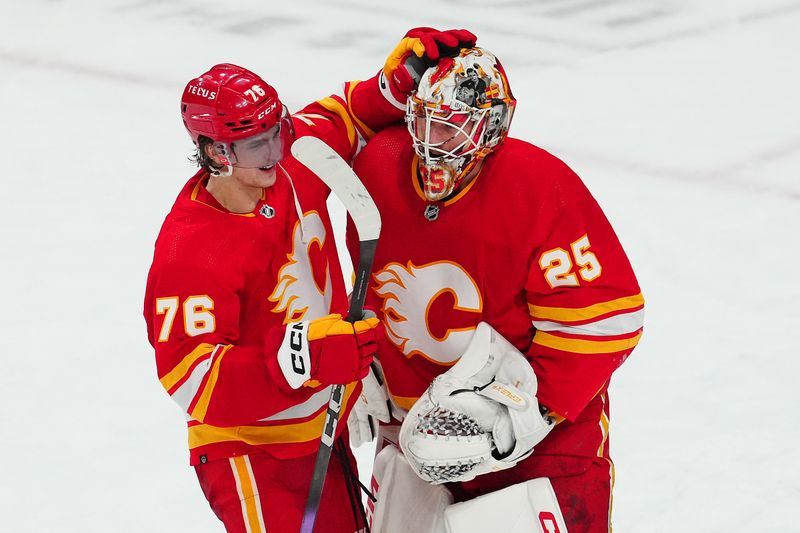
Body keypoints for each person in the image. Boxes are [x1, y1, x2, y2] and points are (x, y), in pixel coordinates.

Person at [143, 28, 477, 533]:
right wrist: (299, 363)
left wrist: (396, 82)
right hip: (251, 455)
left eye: (278, 131)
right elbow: (190, 379)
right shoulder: (190, 250)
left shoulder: (294, 157)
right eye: (257, 144)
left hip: (322, 431)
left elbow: (349, 115)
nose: (277, 151)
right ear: (216, 155)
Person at [346, 46, 644, 532]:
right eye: (423, 121)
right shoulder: (377, 165)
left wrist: (522, 415)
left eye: (450, 127)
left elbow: (604, 318)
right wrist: (363, 360)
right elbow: (359, 274)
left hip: (536, 448)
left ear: (490, 128)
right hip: (412, 433)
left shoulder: (540, 188)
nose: (429, 141)